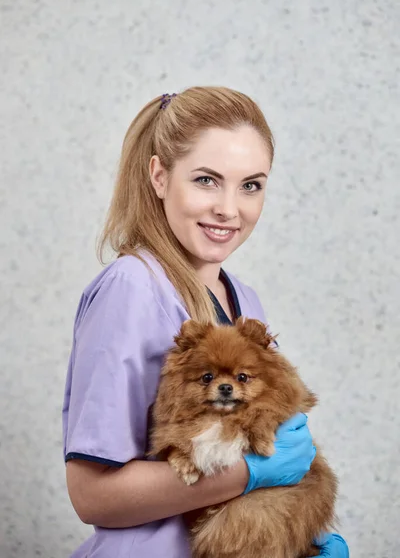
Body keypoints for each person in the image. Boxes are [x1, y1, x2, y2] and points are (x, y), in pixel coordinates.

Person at [62, 86, 349, 558]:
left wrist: (304, 533)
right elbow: (92, 496)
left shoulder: (245, 301)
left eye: (250, 185)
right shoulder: (130, 288)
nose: (229, 209)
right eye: (206, 180)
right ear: (159, 176)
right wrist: (250, 470)